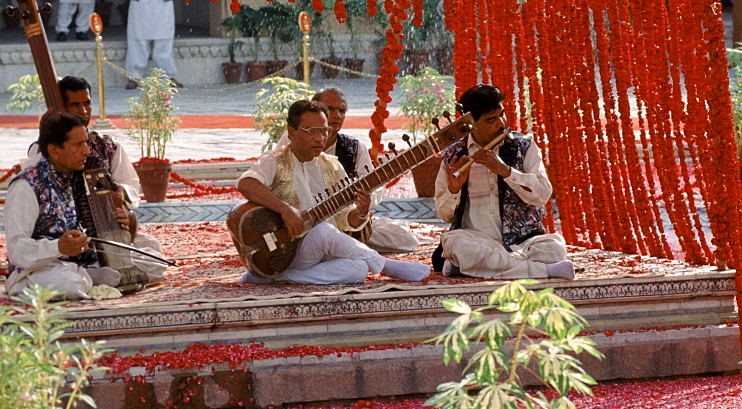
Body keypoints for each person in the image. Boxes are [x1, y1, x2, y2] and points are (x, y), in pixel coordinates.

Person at [236, 99, 431, 285]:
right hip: (284, 250)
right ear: (291, 132)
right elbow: (247, 183)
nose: (320, 138)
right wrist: (286, 210)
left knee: (359, 269)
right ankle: (386, 265)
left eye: (324, 131)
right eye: (312, 131)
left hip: (322, 249)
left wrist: (360, 212)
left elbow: (346, 219)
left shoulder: (332, 166)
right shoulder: (274, 160)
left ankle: (280, 278)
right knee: (322, 230)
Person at [21, 76, 166, 281]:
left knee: (154, 261)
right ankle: (97, 273)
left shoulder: (107, 144)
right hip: (68, 236)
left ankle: (101, 273)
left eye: (87, 103)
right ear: (61, 107)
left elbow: (131, 185)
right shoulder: (45, 149)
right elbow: (37, 188)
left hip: (107, 229)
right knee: (71, 275)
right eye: (75, 105)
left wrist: (118, 195)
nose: (83, 111)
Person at [434, 84, 574, 280]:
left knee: (554, 248)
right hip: (476, 239)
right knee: (459, 245)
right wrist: (454, 188)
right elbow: (446, 215)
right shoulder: (454, 155)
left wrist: (506, 172)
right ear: (471, 123)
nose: (501, 123)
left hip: (523, 240)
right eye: (491, 119)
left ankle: (470, 267)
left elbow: (542, 195)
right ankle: (547, 272)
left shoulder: (524, 146)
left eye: (502, 115)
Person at [276, 87, 420, 253]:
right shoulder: (292, 140)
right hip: (297, 220)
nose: (337, 115)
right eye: (330, 109)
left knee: (404, 237)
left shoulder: (354, 148)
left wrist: (359, 202)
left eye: (342, 110)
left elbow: (376, 189)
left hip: (343, 218)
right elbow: (278, 179)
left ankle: (348, 247)